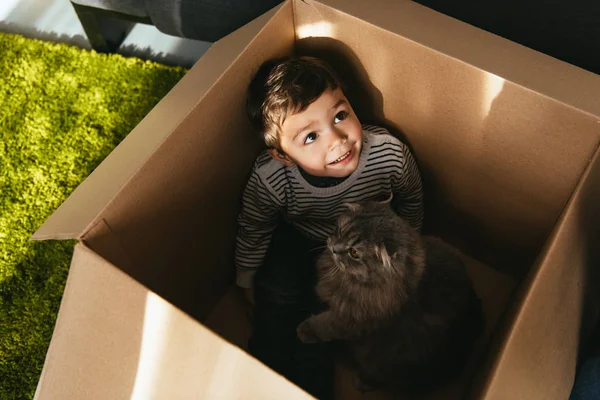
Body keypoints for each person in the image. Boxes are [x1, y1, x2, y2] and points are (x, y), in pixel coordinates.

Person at [235, 56, 424, 399]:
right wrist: (245, 277)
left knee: (323, 319)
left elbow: (411, 200)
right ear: (283, 155)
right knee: (278, 297)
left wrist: (404, 254)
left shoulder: (388, 154)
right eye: (310, 137)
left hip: (361, 248)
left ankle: (311, 390)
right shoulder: (273, 177)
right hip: (298, 239)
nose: (337, 139)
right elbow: (255, 227)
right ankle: (262, 375)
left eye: (339, 116)